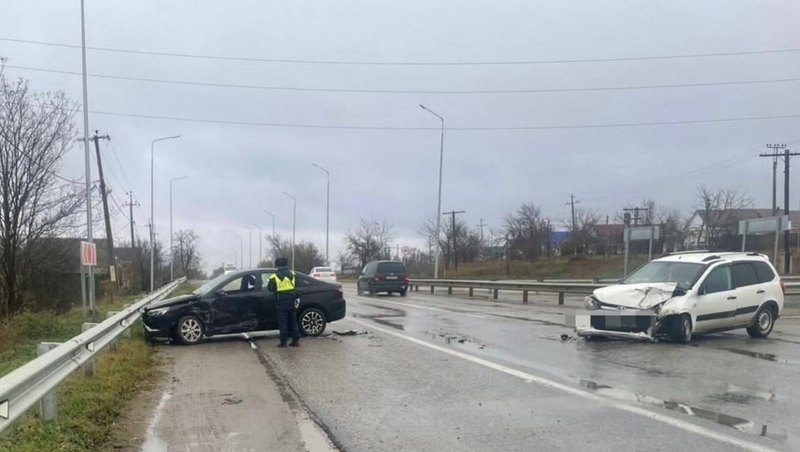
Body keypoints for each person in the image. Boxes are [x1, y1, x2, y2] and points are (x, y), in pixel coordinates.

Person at [267, 257, 300, 347]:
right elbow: (296, 285)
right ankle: (295, 341)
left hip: (281, 301)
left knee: (283, 322)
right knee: (293, 320)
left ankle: (283, 342)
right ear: (286, 264)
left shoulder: (274, 276)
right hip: (292, 300)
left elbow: (270, 288)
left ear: (277, 265)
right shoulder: (292, 274)